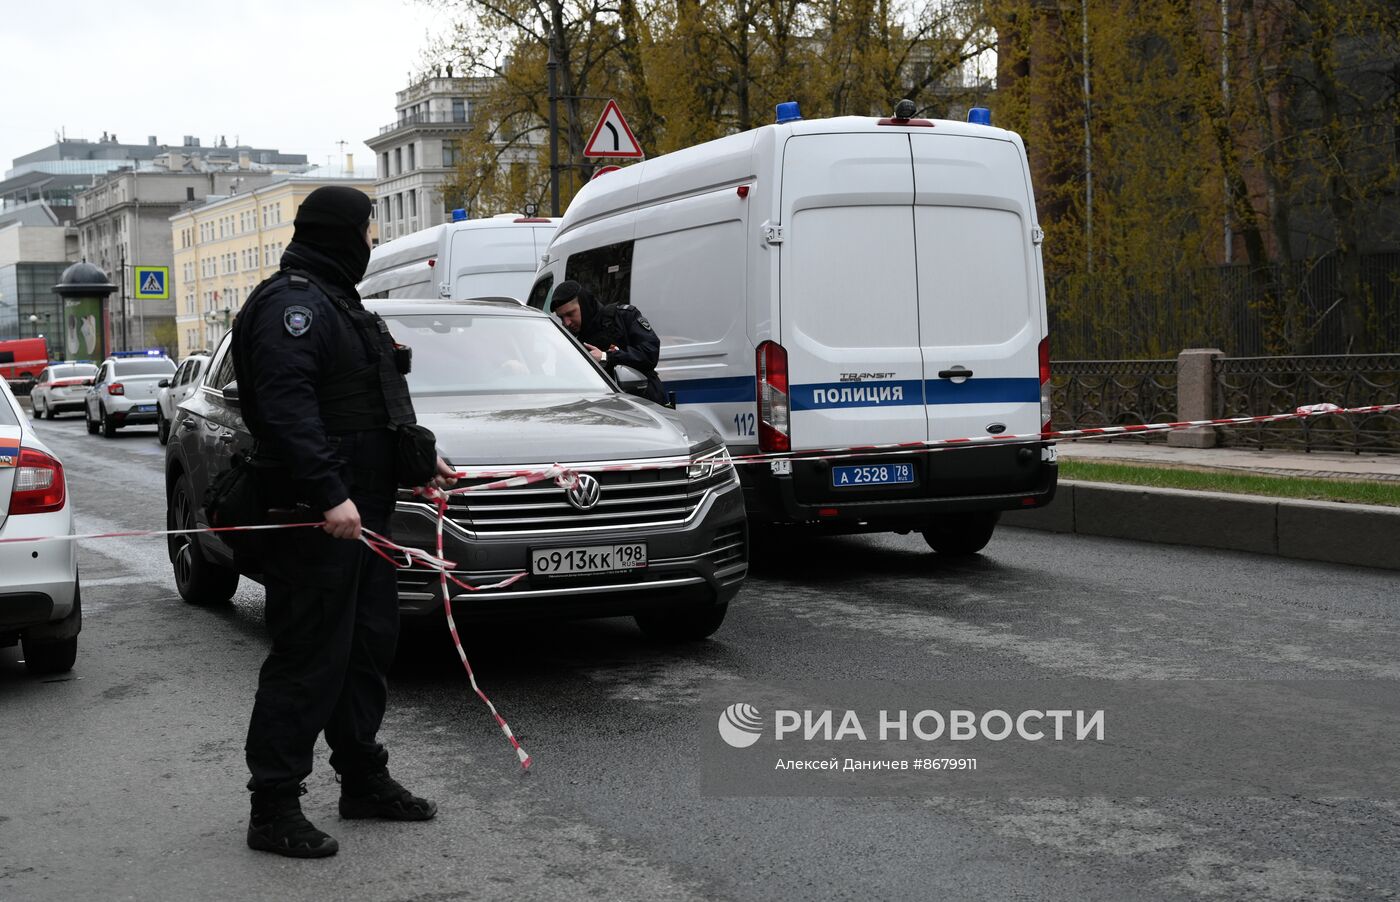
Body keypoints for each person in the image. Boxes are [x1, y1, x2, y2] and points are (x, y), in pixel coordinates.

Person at [230, 185, 456, 859]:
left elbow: (369, 400)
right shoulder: (292, 306)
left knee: (364, 650)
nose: (372, 243)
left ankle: (362, 778)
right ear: (339, 234)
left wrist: (418, 457)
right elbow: (288, 408)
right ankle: (273, 806)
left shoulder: (339, 303)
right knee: (309, 658)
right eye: (366, 232)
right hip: (317, 518)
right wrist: (329, 494)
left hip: (366, 514)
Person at [549, 280, 666, 404]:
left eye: (570, 314)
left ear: (584, 305)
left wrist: (606, 357)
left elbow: (650, 353)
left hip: (644, 405)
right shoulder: (569, 341)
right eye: (561, 317)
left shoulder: (624, 317)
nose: (567, 322)